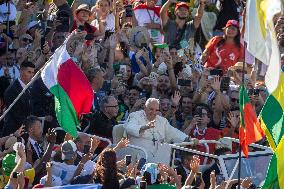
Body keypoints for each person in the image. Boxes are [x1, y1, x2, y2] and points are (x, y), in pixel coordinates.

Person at [124, 98, 188, 162]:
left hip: (157, 157)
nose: (154, 112)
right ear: (145, 108)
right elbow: (129, 128)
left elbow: (174, 133)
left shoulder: (162, 121)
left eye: (156, 110)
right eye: (151, 109)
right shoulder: (135, 115)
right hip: (138, 156)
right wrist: (144, 127)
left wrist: (187, 139)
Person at [3, 61, 35, 137]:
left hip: (25, 131)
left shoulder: (28, 88)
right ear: (21, 71)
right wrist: (31, 127)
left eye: (33, 72)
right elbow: (17, 114)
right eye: (29, 72)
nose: (32, 75)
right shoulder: (12, 90)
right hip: (12, 133)